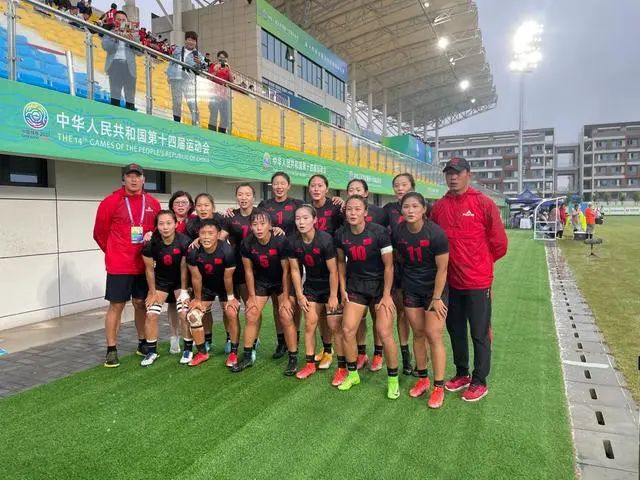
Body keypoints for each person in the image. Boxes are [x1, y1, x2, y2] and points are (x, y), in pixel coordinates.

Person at [430, 157, 508, 402]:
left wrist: (480, 264)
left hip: (477, 282)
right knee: (455, 330)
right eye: (449, 173)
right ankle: (462, 373)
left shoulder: (483, 203)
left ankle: (479, 380)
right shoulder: (439, 207)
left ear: (468, 175)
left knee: (479, 333)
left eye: (458, 172)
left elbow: (500, 244)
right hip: (450, 282)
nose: (453, 177)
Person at [93, 163, 161, 368]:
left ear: (143, 179)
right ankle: (111, 349)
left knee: (140, 303)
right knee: (117, 305)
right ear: (123, 179)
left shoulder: (152, 203)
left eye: (137, 176)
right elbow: (99, 234)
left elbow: (159, 232)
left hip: (143, 265)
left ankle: (142, 343)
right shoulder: (110, 202)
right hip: (119, 266)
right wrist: (114, 252)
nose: (133, 179)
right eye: (129, 176)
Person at [334, 195, 400, 398]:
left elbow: (389, 266)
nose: (353, 213)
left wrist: (387, 295)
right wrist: (343, 289)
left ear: (365, 212)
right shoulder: (340, 234)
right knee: (347, 330)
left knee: (384, 331)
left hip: (380, 287)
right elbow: (341, 263)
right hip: (356, 286)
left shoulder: (379, 232)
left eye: (357, 209)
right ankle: (353, 375)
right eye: (349, 209)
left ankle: (393, 381)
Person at [394, 193, 449, 408]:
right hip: (411, 288)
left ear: (424, 209)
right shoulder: (398, 232)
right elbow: (398, 259)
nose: (410, 210)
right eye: (406, 206)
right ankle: (423, 379)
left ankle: (438, 387)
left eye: (415, 206)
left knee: (433, 335)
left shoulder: (436, 233)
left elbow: (442, 269)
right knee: (418, 333)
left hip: (434, 291)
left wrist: (437, 297)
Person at [232, 210, 298, 375]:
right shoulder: (248, 242)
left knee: (285, 315)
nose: (259, 228)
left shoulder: (280, 241)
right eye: (255, 224)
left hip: (281, 282)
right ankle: (247, 356)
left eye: (262, 224)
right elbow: (248, 271)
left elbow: (286, 271)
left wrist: (285, 298)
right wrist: (251, 297)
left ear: (270, 226)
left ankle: (293, 358)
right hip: (262, 281)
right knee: (251, 313)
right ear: (251, 226)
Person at [288, 205, 341, 379]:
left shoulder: (325, 240)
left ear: (315, 220)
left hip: (330, 286)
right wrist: (299, 294)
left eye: (305, 218)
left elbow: (334, 271)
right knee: (310, 323)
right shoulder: (293, 241)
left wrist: (333, 296)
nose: (301, 222)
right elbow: (295, 270)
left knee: (333, 325)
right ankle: (310, 364)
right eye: (298, 218)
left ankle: (335, 358)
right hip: (311, 286)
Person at [258, 172, 303, 358]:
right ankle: (281, 341)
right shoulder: (264, 205)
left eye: (282, 183)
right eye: (275, 183)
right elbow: (257, 223)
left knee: (293, 300)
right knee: (278, 303)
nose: (279, 187)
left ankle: (295, 336)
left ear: (289, 186)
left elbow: (308, 218)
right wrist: (271, 228)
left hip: (293, 256)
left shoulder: (297, 204)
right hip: (272, 258)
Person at [345, 178, 388, 371]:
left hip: (377, 276)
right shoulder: (346, 214)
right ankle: (361, 353)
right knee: (358, 318)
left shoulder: (380, 214)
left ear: (366, 193)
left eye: (358, 189)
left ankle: (378, 353)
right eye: (351, 189)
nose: (355, 191)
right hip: (356, 277)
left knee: (377, 317)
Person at [186, 218, 240, 367]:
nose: (206, 237)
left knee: (231, 312)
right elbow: (196, 277)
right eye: (203, 233)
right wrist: (197, 299)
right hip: (206, 287)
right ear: (198, 234)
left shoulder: (227, 250)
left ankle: (233, 352)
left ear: (218, 234)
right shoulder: (193, 251)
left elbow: (228, 277)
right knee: (193, 315)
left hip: (225, 287)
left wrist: (230, 298)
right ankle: (202, 352)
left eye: (211, 233)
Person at [140, 210, 190, 366]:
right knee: (151, 314)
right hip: (161, 282)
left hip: (180, 282)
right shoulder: (151, 243)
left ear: (176, 224)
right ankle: (151, 352)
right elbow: (149, 270)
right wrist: (152, 292)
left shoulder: (184, 242)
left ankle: (188, 349)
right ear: (156, 226)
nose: (165, 227)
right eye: (161, 224)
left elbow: (184, 268)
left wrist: (184, 291)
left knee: (183, 312)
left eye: (169, 223)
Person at [307, 174, 343, 369]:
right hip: (315, 266)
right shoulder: (306, 209)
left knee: (334, 316)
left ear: (326, 189)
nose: (316, 189)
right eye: (313, 186)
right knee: (320, 314)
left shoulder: (336, 207)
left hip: (333, 264)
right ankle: (327, 349)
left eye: (320, 185)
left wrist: (343, 203)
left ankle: (345, 358)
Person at [185, 193, 228, 352]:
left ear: (213, 207)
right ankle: (207, 339)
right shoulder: (192, 224)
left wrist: (203, 239)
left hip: (222, 271)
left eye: (206, 205)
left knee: (227, 309)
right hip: (203, 273)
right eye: (199, 205)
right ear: (194, 208)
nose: (203, 209)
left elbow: (221, 237)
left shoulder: (221, 219)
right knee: (204, 309)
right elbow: (190, 248)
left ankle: (230, 339)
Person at [383, 173, 416, 375]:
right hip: (397, 267)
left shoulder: (423, 206)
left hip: (418, 269)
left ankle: (422, 361)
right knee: (402, 312)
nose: (400, 188)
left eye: (404, 184)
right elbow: (365, 217)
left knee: (418, 316)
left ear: (412, 186)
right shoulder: (388, 209)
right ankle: (406, 358)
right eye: (397, 185)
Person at [223, 183, 258, 358]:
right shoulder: (231, 216)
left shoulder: (260, 215)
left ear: (253, 197)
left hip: (253, 267)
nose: (244, 197)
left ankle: (254, 339)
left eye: (247, 194)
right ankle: (231, 338)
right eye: (240, 194)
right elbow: (220, 238)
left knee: (251, 306)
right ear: (236, 196)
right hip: (233, 266)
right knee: (229, 306)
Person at [165, 191, 195, 356]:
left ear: (190, 205)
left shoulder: (195, 221)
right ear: (172, 205)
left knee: (187, 304)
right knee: (172, 304)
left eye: (184, 202)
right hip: (170, 270)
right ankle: (174, 337)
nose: (181, 205)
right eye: (177, 203)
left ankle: (190, 337)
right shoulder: (166, 221)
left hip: (190, 269)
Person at [101, 10, 141, 110]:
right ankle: (115, 117)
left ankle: (130, 118)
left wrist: (131, 41)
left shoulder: (133, 35)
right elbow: (106, 46)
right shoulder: (110, 33)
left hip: (129, 67)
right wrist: (116, 37)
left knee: (130, 97)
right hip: (115, 65)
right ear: (114, 21)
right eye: (118, 19)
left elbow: (140, 52)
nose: (121, 22)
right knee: (115, 95)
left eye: (123, 20)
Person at [167, 31, 205, 125]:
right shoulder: (178, 50)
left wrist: (199, 63)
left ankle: (195, 123)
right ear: (185, 40)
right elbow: (171, 62)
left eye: (193, 40)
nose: (191, 42)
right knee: (177, 102)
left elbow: (204, 68)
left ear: (196, 42)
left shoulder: (198, 55)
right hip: (176, 78)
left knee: (192, 102)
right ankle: (176, 123)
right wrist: (169, 75)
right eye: (189, 40)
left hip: (188, 80)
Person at [207, 50, 232, 133]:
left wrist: (229, 69)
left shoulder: (227, 68)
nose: (222, 60)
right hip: (214, 94)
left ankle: (222, 133)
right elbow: (209, 78)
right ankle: (211, 132)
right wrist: (216, 70)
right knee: (213, 113)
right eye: (220, 58)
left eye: (224, 59)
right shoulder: (213, 65)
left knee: (225, 116)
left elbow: (231, 82)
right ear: (217, 58)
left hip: (224, 96)